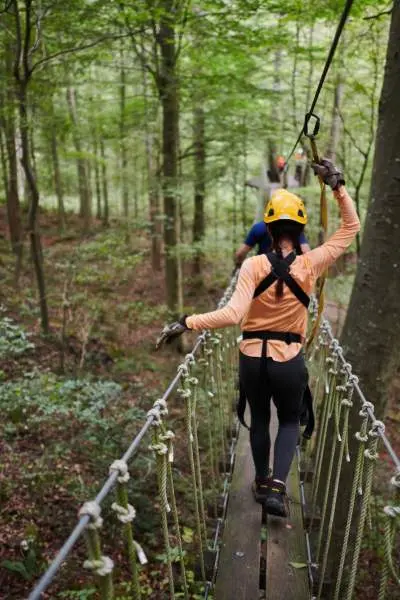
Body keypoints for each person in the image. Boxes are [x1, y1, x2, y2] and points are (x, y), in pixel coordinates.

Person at [156, 159, 360, 518]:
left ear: (267, 226)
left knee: (261, 419)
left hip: (251, 358)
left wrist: (187, 321)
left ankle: (261, 481)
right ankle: (278, 493)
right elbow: (350, 227)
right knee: (291, 421)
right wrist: (337, 186)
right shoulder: (310, 263)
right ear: (300, 230)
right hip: (288, 359)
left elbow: (233, 315)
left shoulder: (252, 266)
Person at [235, 211, 311, 267]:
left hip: (262, 269)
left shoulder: (259, 227)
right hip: (288, 270)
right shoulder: (294, 228)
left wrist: (239, 264)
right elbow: (306, 251)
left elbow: (240, 253)